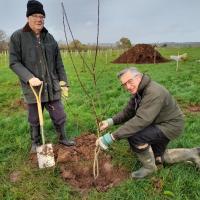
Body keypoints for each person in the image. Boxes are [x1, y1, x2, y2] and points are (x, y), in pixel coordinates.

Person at [96, 67, 200, 179]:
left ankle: (149, 168)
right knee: (159, 157)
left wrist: (111, 137)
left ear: (139, 77)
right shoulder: (140, 91)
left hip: (170, 125)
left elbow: (141, 120)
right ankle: (193, 153)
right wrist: (110, 121)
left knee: (135, 136)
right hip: (159, 122)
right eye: (124, 84)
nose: (128, 87)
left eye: (130, 81)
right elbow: (128, 111)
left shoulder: (153, 92)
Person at [9, 0, 75, 153]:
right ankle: (35, 142)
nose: (39, 19)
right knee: (34, 118)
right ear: (28, 18)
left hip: (52, 86)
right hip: (33, 88)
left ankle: (63, 138)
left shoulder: (49, 38)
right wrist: (29, 77)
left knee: (59, 114)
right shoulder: (17, 37)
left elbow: (59, 63)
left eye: (41, 16)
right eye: (35, 16)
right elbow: (13, 62)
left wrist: (63, 82)